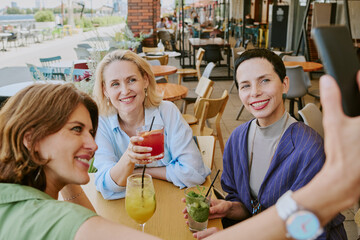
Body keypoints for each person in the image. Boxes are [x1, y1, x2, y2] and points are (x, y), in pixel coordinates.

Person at [184, 49, 346, 239]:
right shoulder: (237, 139)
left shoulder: (309, 149)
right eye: (245, 86)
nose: (255, 92)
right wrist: (230, 208)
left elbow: (307, 230)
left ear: (285, 84)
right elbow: (252, 208)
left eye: (265, 80)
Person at [0, 83, 159, 240]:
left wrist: (64, 173)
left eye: (91, 132)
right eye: (76, 129)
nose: (93, 145)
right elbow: (81, 223)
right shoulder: (55, 220)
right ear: (30, 139)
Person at [92, 50, 211, 200]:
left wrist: (136, 172)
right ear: (105, 90)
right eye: (115, 84)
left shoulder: (167, 112)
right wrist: (129, 158)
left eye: (132, 80)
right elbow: (105, 186)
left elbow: (194, 173)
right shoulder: (102, 121)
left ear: (145, 80)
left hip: (173, 201)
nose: (125, 90)